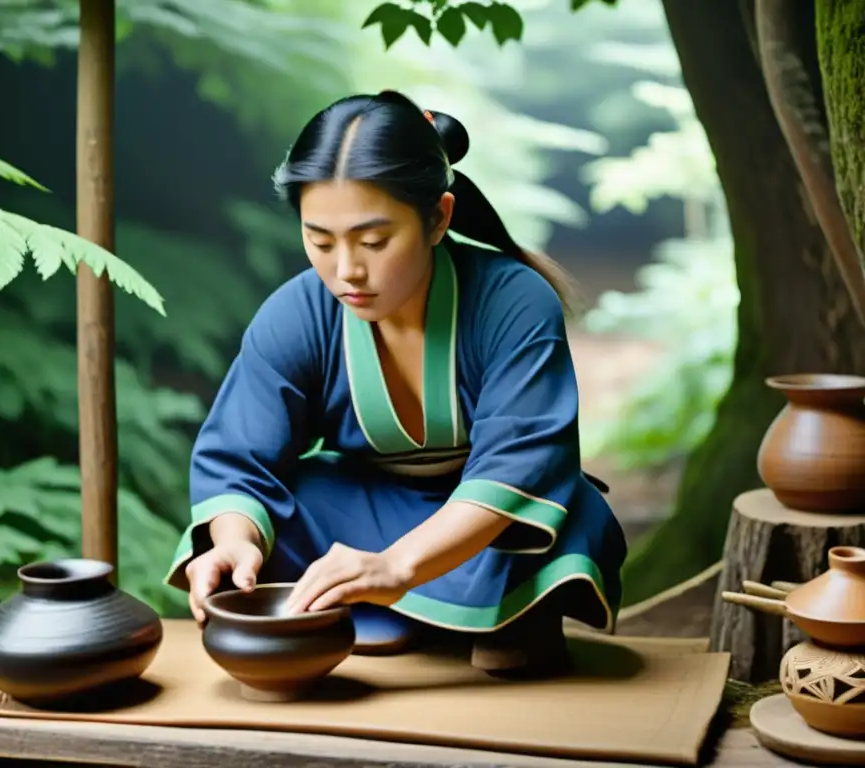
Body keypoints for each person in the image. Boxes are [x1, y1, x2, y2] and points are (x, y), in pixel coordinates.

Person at [163, 90, 627, 675]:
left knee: (562, 512)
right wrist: (235, 542)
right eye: (320, 241)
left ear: (438, 218)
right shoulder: (297, 312)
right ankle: (385, 608)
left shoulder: (514, 302)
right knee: (277, 507)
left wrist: (398, 567)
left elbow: (519, 466)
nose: (346, 271)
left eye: (374, 241)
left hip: (485, 526)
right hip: (363, 513)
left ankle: (452, 608)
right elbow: (240, 454)